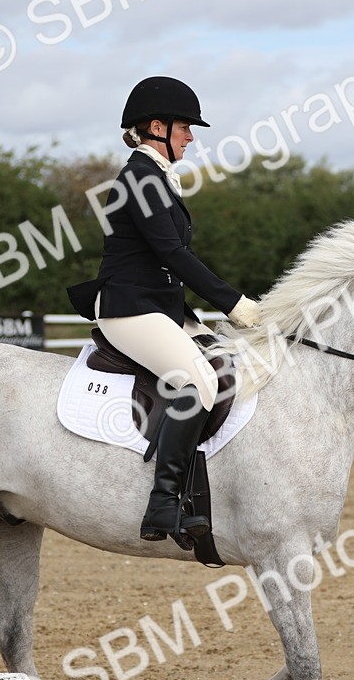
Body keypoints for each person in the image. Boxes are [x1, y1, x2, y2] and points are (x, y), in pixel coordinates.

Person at [67, 76, 260, 544]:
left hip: (161, 307)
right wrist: (233, 303)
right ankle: (164, 503)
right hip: (129, 309)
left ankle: (196, 494)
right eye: (185, 128)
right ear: (157, 127)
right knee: (199, 382)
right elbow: (172, 254)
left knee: (227, 363)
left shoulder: (156, 177)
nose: (191, 137)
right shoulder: (139, 180)